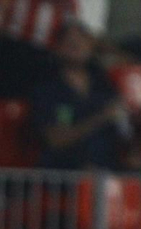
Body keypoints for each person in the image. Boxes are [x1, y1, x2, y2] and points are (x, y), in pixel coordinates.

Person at [28, 21, 130, 169]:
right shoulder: (47, 89)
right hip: (64, 171)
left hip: (107, 167)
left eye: (82, 41)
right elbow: (56, 139)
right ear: (58, 48)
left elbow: (124, 130)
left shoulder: (103, 84)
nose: (77, 46)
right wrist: (102, 117)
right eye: (70, 42)